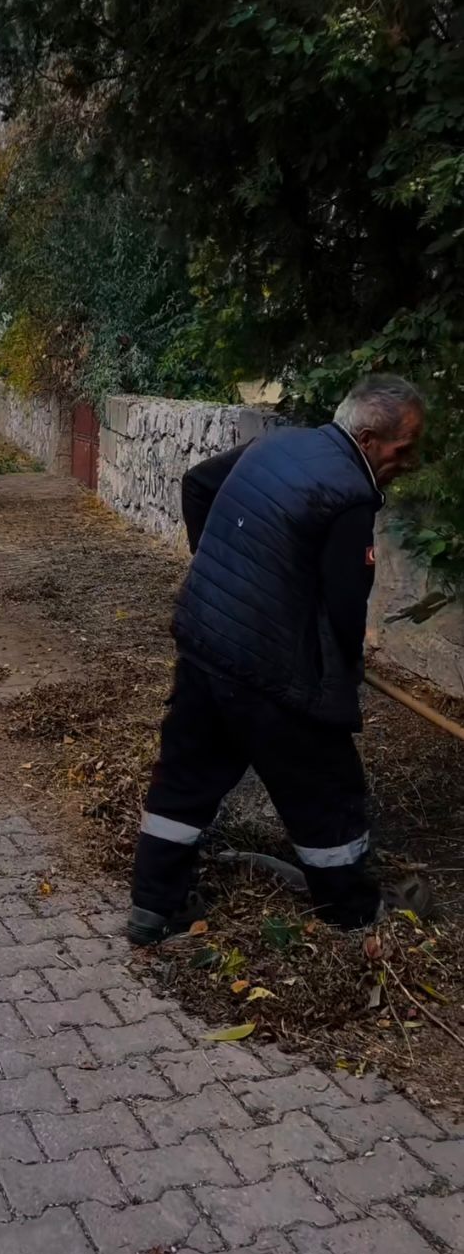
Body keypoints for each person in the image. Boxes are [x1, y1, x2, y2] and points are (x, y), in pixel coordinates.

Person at [129, 375, 428, 945]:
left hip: (204, 638)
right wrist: (344, 679)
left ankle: (154, 906)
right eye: (403, 448)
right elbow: (343, 609)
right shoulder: (350, 492)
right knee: (325, 783)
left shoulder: (279, 442)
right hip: (266, 668)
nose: (408, 462)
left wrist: (229, 579)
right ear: (367, 439)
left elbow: (197, 485)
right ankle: (351, 913)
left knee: (187, 776)